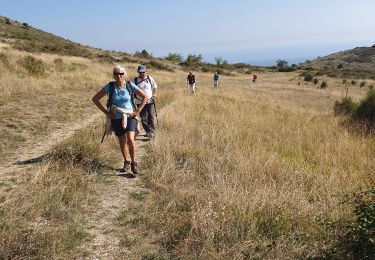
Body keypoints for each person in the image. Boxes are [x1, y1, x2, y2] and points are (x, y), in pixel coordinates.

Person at [92, 65, 147, 174]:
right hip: (116, 118)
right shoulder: (110, 86)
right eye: (116, 73)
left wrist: (137, 111)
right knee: (122, 141)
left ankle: (134, 163)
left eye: (121, 73)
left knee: (130, 139)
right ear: (114, 75)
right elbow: (95, 99)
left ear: (124, 75)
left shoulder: (129, 85)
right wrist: (106, 113)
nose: (119, 76)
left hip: (130, 116)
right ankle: (126, 161)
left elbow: (145, 96)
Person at [133, 65, 158, 138]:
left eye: (143, 72)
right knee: (143, 118)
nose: (141, 74)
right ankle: (148, 131)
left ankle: (152, 132)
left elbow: (155, 87)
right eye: (140, 72)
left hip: (150, 101)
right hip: (139, 102)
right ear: (138, 72)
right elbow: (133, 90)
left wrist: (154, 95)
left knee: (151, 116)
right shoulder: (135, 80)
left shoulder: (149, 79)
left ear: (145, 72)